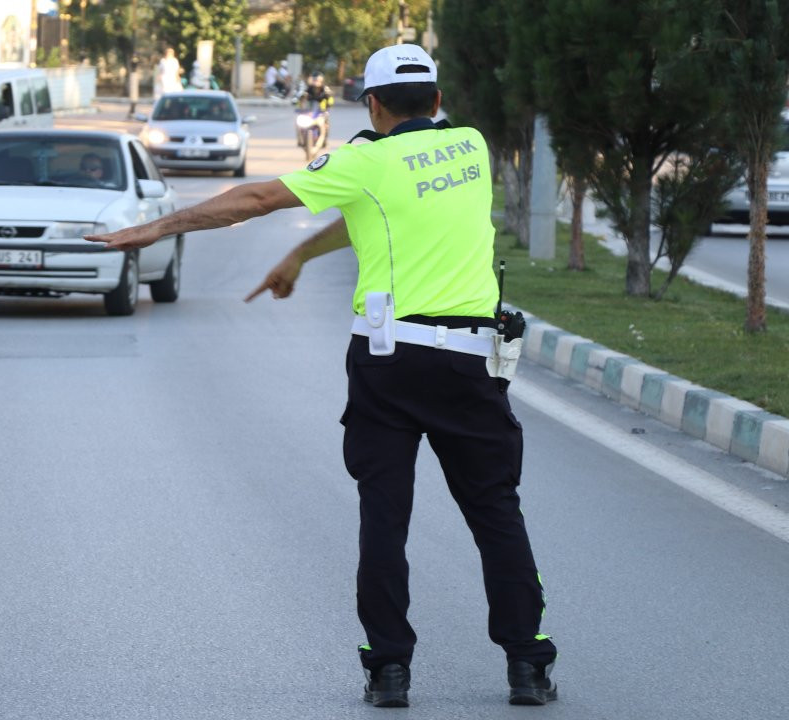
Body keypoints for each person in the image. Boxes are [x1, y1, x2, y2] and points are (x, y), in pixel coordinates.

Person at [84, 43, 558, 709]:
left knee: (384, 518)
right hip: (469, 363)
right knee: (495, 513)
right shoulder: (471, 150)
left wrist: (158, 227)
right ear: (439, 102)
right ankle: (528, 666)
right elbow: (377, 212)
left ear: (371, 103)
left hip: (390, 366)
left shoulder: (365, 161)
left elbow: (255, 198)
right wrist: (303, 253)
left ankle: (389, 669)